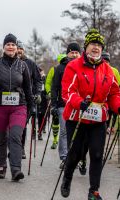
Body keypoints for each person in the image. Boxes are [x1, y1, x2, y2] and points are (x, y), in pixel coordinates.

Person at [60, 29, 120, 200]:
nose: (96, 48)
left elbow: (114, 93)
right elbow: (67, 92)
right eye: (93, 44)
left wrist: (118, 107)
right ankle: (67, 177)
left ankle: (94, 191)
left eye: (99, 45)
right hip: (77, 117)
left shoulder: (108, 70)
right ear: (86, 46)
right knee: (76, 154)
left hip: (98, 120)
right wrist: (79, 102)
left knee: (96, 154)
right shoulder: (73, 66)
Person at [0, 34, 33, 181]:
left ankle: (16, 169)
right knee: (0, 138)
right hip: (0, 105)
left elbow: (28, 88)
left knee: (15, 135)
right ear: (4, 47)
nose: (11, 47)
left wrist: (31, 108)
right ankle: (1, 167)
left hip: (19, 106)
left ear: (17, 47)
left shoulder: (22, 65)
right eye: (8, 44)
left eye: (13, 44)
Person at [51, 42, 81, 170]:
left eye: (76, 52)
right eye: (71, 52)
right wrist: (53, 104)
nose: (74, 55)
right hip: (63, 104)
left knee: (78, 132)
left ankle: (77, 157)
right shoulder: (59, 68)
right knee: (64, 131)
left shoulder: (84, 67)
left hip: (80, 105)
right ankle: (64, 158)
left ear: (80, 54)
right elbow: (55, 87)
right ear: (67, 53)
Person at [17, 41, 41, 158]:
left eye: (21, 48)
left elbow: (37, 80)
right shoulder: (6, 62)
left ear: (23, 50)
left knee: (22, 124)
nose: (19, 50)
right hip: (10, 99)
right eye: (17, 48)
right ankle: (12, 146)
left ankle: (20, 149)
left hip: (26, 99)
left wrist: (38, 94)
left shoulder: (31, 63)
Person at [45, 54, 66, 149]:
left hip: (65, 100)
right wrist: (49, 92)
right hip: (55, 99)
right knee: (55, 120)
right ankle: (55, 139)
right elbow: (48, 83)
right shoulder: (54, 69)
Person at [37, 67, 48, 140]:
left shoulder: (45, 79)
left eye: (41, 72)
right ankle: (36, 131)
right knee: (37, 116)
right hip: (37, 100)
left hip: (44, 100)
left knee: (43, 116)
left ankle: (41, 129)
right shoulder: (35, 79)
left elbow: (48, 87)